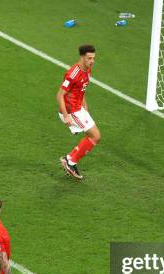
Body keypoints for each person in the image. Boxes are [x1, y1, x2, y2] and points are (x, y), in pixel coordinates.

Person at [57, 44, 101, 180]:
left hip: (79, 109)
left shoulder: (87, 70)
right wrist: (66, 116)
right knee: (95, 136)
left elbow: (81, 91)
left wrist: (85, 107)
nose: (92, 61)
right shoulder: (72, 74)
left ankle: (69, 159)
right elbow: (59, 95)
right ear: (82, 57)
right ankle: (71, 161)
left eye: (93, 58)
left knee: (94, 136)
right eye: (89, 58)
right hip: (71, 111)